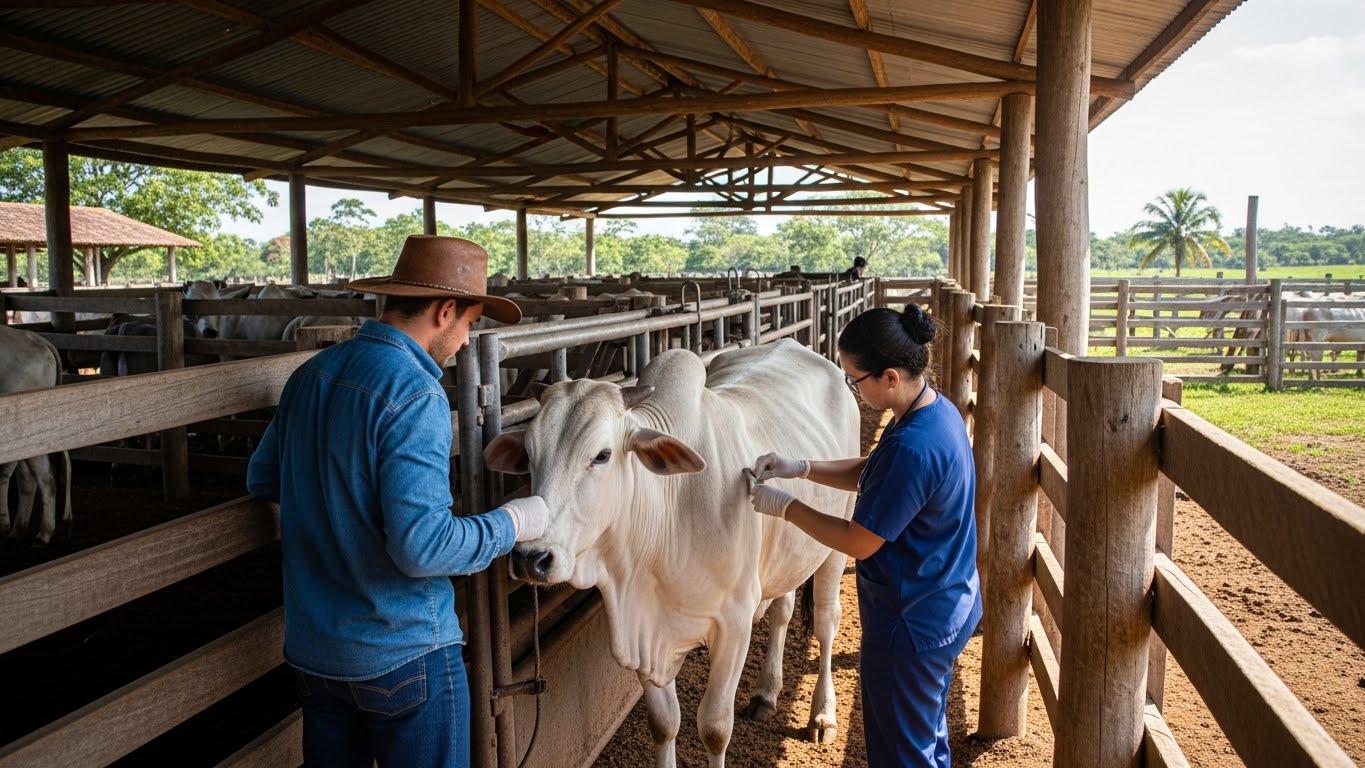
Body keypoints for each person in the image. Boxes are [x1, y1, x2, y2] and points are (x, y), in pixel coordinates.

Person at [247, 234, 549, 768]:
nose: (463, 342)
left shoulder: (309, 375)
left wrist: (338, 511)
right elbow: (424, 549)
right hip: (403, 653)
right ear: (445, 310)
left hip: (315, 654)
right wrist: (512, 522)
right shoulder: (415, 392)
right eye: (469, 324)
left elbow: (264, 479)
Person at [747, 303, 980, 767]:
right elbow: (876, 470)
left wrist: (786, 507)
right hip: (945, 599)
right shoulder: (934, 411)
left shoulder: (913, 447)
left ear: (889, 377)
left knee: (902, 753)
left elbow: (859, 541)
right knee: (926, 738)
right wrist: (804, 468)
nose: (853, 389)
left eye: (855, 380)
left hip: (910, 624)